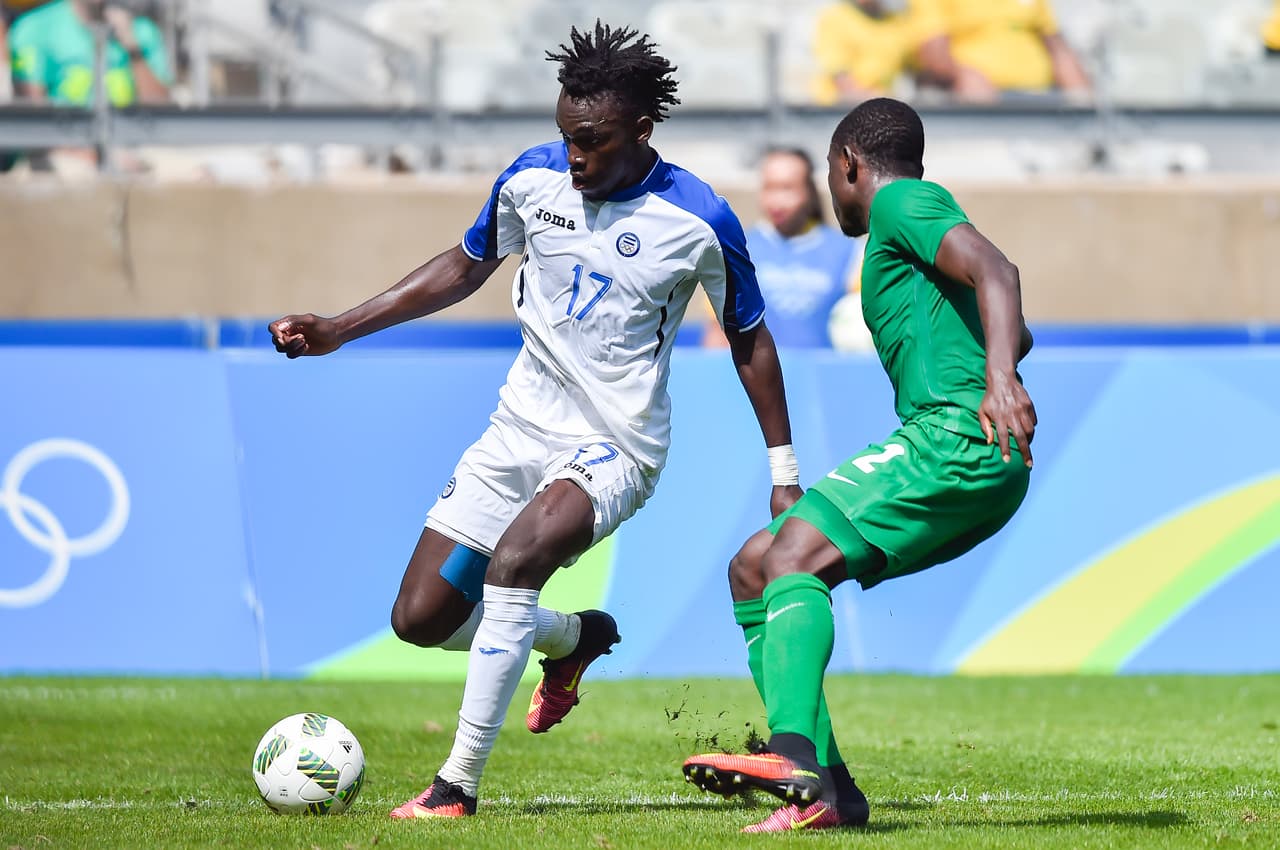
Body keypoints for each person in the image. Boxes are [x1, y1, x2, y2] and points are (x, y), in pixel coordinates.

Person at [268, 21, 802, 821]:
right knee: (418, 619)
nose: (575, 155)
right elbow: (464, 264)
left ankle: (455, 788)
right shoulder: (533, 179)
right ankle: (570, 638)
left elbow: (751, 339)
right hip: (516, 430)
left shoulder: (697, 219)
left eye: (591, 140)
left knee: (514, 564)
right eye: (565, 136)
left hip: (615, 447)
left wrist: (783, 473)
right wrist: (341, 327)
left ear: (641, 130)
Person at [681, 97, 1037, 833]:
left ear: (846, 165)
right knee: (756, 566)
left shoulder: (903, 201)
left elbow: (999, 272)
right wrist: (993, 360)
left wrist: (994, 382)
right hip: (972, 450)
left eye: (829, 174)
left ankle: (790, 753)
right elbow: (1016, 326)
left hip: (952, 440)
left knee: (795, 556)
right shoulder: (914, 224)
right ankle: (831, 798)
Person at [704, 147, 867, 350]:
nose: (777, 200)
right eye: (769, 188)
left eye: (787, 188)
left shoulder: (851, 252)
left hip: (825, 379)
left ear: (810, 191)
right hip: (762, 380)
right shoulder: (737, 249)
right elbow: (716, 333)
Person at [912, 0, 1090, 103]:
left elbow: (1056, 47)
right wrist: (961, 75)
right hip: (979, 105)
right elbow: (932, 51)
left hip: (1038, 101)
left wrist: (1082, 99)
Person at [8, 0, 171, 106]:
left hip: (135, 144)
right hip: (64, 148)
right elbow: (32, 117)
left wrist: (134, 52)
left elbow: (161, 110)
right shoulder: (34, 29)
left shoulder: (142, 31)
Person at [810, 0, 931, 105]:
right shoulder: (835, 18)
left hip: (880, 111)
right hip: (839, 111)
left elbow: (917, 68)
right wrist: (877, 99)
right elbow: (842, 80)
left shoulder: (897, 22)